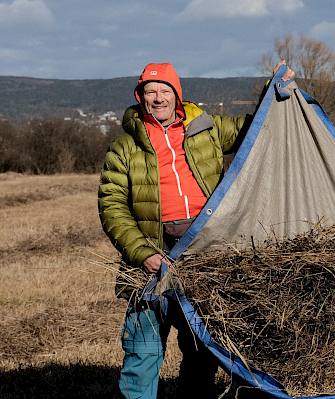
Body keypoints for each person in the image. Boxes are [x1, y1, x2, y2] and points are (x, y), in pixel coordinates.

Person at [98, 62, 293, 398]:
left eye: (164, 90)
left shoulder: (206, 127)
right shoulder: (124, 148)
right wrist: (143, 254)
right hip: (151, 260)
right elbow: (111, 207)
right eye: (150, 91)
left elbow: (256, 127)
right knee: (142, 352)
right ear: (139, 96)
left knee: (202, 347)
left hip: (204, 255)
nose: (158, 98)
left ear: (177, 94)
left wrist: (272, 91)